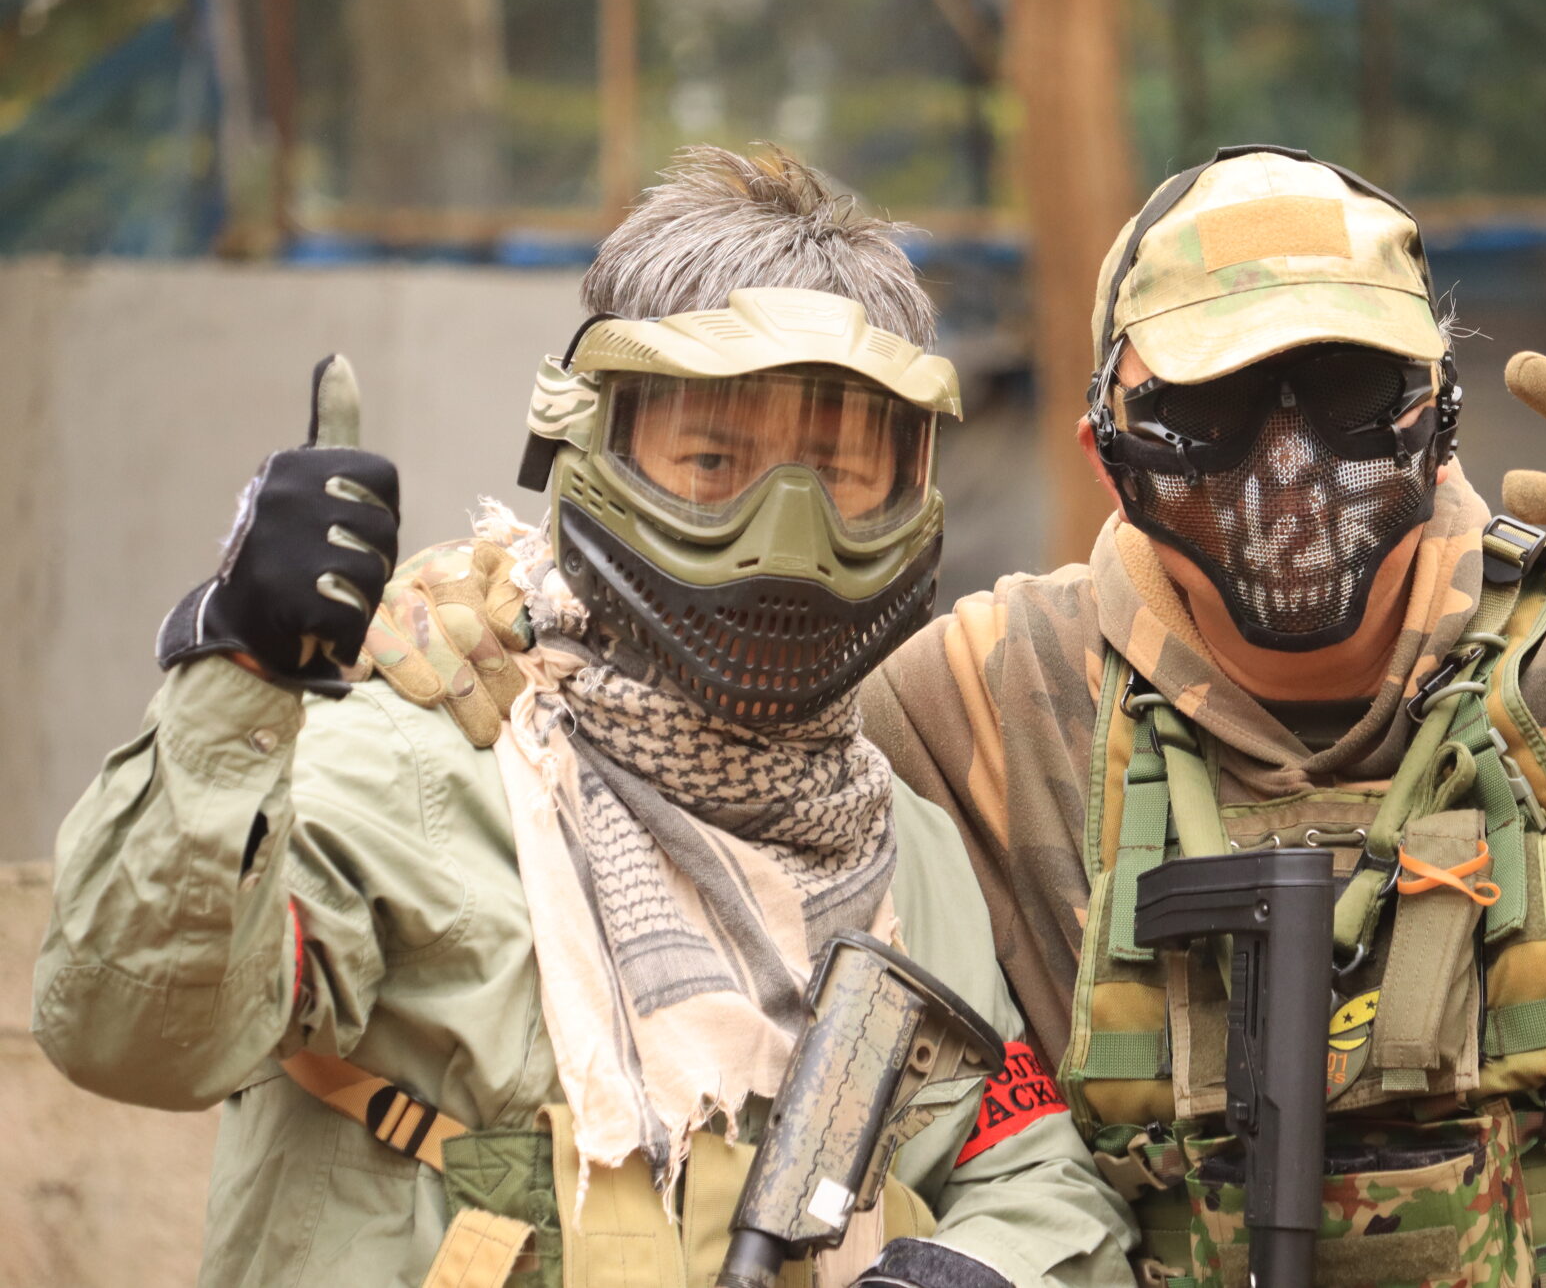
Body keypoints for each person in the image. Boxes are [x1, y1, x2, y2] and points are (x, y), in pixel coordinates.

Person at [363, 145, 1546, 1288]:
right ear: (1109, 452)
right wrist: (472, 609)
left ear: (1435, 417)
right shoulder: (986, 699)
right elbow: (663, 738)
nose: (1290, 468)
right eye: (1214, 409)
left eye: (1347, 397)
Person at [32, 147, 1136, 1288]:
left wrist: (972, 1270)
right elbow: (126, 1030)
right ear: (588, 441)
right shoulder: (414, 766)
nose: (785, 532)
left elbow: (1030, 1171)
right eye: (712, 460)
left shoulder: (904, 848)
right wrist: (242, 671)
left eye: (842, 474)